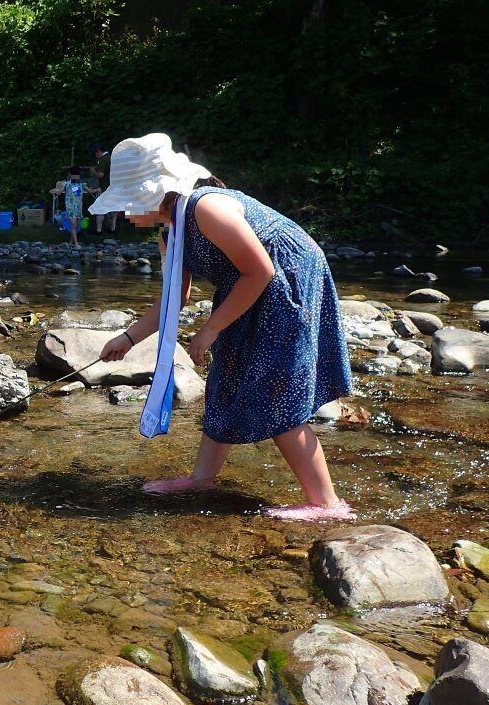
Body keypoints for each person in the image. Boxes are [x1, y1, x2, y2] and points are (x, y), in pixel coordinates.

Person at [91, 134, 355, 521]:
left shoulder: (207, 209)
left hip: (287, 283)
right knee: (225, 378)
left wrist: (210, 330)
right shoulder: (170, 232)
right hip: (249, 287)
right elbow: (173, 301)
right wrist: (127, 339)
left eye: (128, 204)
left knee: (275, 389)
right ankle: (202, 479)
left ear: (154, 195)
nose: (126, 215)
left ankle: (326, 505)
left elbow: (262, 269)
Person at [50, 166, 95, 249]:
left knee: (76, 226)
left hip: (78, 208)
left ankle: (70, 242)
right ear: (70, 175)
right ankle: (76, 243)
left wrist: (98, 190)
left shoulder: (81, 184)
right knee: (73, 225)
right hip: (70, 208)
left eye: (77, 175)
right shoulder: (66, 184)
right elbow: (59, 192)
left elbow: (90, 191)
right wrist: (54, 191)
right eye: (74, 175)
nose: (76, 177)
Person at [90, 143, 117, 234]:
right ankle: (113, 229)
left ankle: (99, 230)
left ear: (98, 152)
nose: (95, 155)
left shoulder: (102, 160)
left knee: (100, 208)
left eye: (95, 153)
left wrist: (93, 171)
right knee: (113, 208)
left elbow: (101, 175)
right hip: (114, 187)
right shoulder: (111, 158)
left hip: (104, 187)